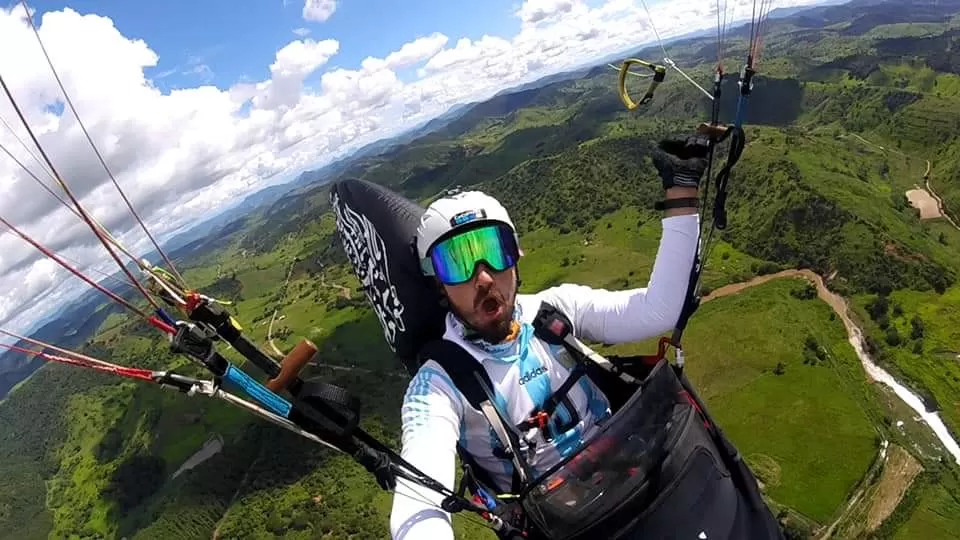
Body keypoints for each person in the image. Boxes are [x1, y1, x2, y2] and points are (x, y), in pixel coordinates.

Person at [389, 132, 709, 540]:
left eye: (493, 250)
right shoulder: (437, 386)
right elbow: (418, 502)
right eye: (458, 263)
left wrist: (682, 196)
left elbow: (658, 311)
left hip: (642, 488)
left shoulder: (554, 310)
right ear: (439, 286)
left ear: (516, 257)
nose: (483, 277)